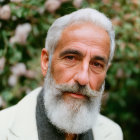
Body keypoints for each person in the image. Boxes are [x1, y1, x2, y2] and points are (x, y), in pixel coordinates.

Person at [0, 8, 123, 140]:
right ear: (46, 62)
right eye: (71, 58)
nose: (82, 79)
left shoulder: (112, 134)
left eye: (96, 64)